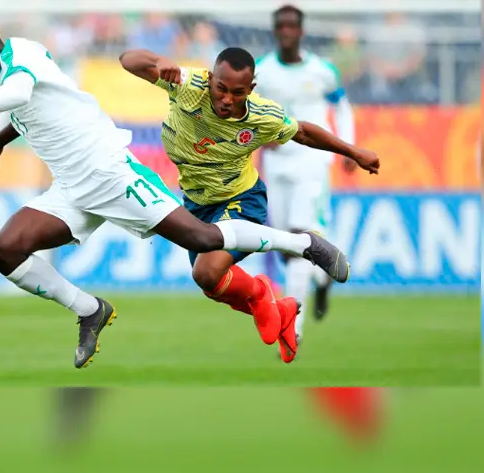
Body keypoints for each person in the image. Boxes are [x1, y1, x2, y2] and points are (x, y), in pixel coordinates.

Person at [0, 16, 360, 370]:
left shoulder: (21, 63)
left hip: (111, 172)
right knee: (3, 251)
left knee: (204, 240)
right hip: (71, 187)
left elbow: (19, 93)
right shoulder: (16, 65)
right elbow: (35, 108)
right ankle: (90, 310)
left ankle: (305, 244)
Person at [120, 47, 379, 362]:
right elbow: (128, 60)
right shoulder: (188, 85)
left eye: (238, 92)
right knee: (210, 284)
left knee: (206, 271)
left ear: (251, 90)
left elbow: (305, 132)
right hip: (198, 205)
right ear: (211, 79)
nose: (227, 99)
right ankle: (272, 304)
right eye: (221, 89)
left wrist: (353, 152)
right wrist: (161, 62)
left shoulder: (261, 115)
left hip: (242, 200)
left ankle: (302, 245)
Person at [255, 5, 357, 345]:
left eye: (291, 26)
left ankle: (291, 330)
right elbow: (249, 111)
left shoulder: (323, 71)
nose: (285, 31)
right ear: (275, 31)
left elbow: (341, 107)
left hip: (313, 163)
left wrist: (347, 148)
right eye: (280, 26)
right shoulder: (263, 71)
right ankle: (323, 280)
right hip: (277, 164)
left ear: (301, 31)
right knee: (288, 248)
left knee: (302, 236)